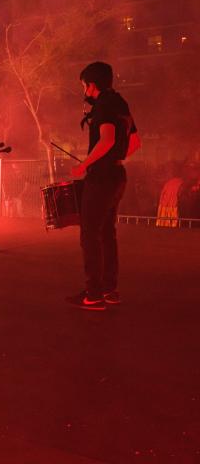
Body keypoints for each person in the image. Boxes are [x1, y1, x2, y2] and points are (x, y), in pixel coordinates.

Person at [69, 61, 140, 310]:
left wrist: (84, 165)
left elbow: (107, 139)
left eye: (84, 86)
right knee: (107, 233)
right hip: (118, 174)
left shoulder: (103, 105)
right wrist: (115, 159)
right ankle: (109, 290)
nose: (84, 91)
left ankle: (94, 295)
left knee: (90, 234)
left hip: (101, 177)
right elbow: (135, 143)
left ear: (92, 85)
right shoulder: (121, 103)